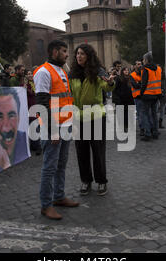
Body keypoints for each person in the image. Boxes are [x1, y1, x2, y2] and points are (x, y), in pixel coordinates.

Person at [33, 40, 79, 220]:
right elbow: (42, 103)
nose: (67, 54)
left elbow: (66, 99)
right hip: (53, 128)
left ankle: (59, 197)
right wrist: (51, 130)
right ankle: (46, 205)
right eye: (63, 51)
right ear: (54, 52)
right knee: (49, 167)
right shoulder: (43, 72)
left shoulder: (61, 70)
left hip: (65, 125)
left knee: (61, 164)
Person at [69, 43, 115, 196]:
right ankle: (86, 181)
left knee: (98, 151)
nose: (79, 56)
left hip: (95, 116)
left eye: (82, 53)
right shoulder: (73, 73)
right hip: (78, 117)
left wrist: (110, 82)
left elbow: (107, 86)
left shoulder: (97, 71)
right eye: (77, 54)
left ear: (89, 55)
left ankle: (101, 181)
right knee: (81, 152)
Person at [139, 52, 162, 141]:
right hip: (156, 95)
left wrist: (141, 93)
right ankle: (155, 133)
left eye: (144, 59)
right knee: (154, 114)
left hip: (147, 95)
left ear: (147, 60)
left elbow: (143, 83)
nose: (143, 61)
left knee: (144, 114)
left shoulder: (145, 69)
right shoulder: (159, 69)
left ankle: (147, 133)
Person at [25, 69, 42, 155]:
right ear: (26, 76)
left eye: (31, 73)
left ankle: (37, 145)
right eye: (28, 74)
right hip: (30, 108)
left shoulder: (36, 83)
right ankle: (36, 146)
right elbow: (30, 94)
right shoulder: (26, 85)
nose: (30, 75)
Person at [116, 67, 135, 132]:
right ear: (122, 71)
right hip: (122, 99)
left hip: (130, 98)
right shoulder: (119, 78)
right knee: (124, 114)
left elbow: (135, 85)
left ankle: (130, 126)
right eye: (125, 70)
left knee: (130, 113)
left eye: (127, 70)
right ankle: (124, 126)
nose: (126, 71)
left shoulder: (130, 78)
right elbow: (116, 88)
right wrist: (120, 95)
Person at [130, 60, 144, 136]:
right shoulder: (132, 75)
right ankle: (142, 128)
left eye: (140, 64)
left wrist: (139, 83)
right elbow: (135, 85)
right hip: (137, 96)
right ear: (135, 66)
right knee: (140, 114)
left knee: (145, 113)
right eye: (138, 64)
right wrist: (141, 83)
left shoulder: (143, 73)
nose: (140, 65)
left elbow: (146, 83)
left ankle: (147, 128)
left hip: (144, 96)